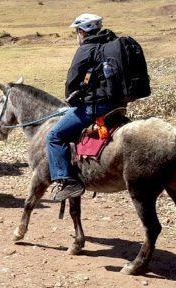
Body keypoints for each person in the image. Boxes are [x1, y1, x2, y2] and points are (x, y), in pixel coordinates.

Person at [46, 13, 126, 201]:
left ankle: (67, 181)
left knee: (54, 136)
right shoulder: (112, 44)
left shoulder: (86, 48)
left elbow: (72, 80)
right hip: (119, 106)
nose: (77, 35)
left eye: (77, 31)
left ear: (82, 32)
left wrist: (72, 98)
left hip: (96, 108)